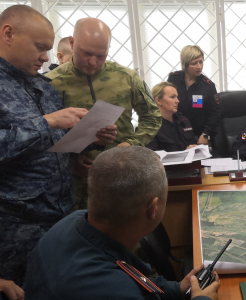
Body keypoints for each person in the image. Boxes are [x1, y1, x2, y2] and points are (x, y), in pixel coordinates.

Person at [0, 5, 116, 286]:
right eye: (40, 47)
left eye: (49, 48)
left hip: (62, 216)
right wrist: (47, 122)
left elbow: (51, 144)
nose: (46, 57)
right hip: (17, 228)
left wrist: (87, 140)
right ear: (8, 34)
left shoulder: (42, 84)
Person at [23, 146, 220, 300]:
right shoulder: (114, 292)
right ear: (153, 208)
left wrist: (176, 289)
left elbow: (131, 277)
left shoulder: (71, 223)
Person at [46, 17, 162, 210]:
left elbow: (152, 116)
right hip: (76, 184)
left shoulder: (126, 77)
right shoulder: (51, 83)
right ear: (72, 43)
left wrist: (131, 145)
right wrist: (70, 160)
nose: (93, 62)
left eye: (101, 56)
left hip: (123, 176)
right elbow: (42, 134)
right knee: (81, 234)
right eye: (86, 53)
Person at [167, 45, 221, 145]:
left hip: (197, 135)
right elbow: (166, 104)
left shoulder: (208, 86)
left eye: (201, 62)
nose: (199, 67)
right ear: (185, 64)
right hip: (175, 132)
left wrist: (205, 134)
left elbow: (215, 114)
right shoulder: (173, 79)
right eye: (194, 63)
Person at [146, 82, 198, 152]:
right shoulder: (149, 127)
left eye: (177, 97)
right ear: (158, 100)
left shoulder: (184, 121)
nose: (178, 101)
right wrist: (184, 154)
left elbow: (193, 144)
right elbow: (152, 158)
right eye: (172, 97)